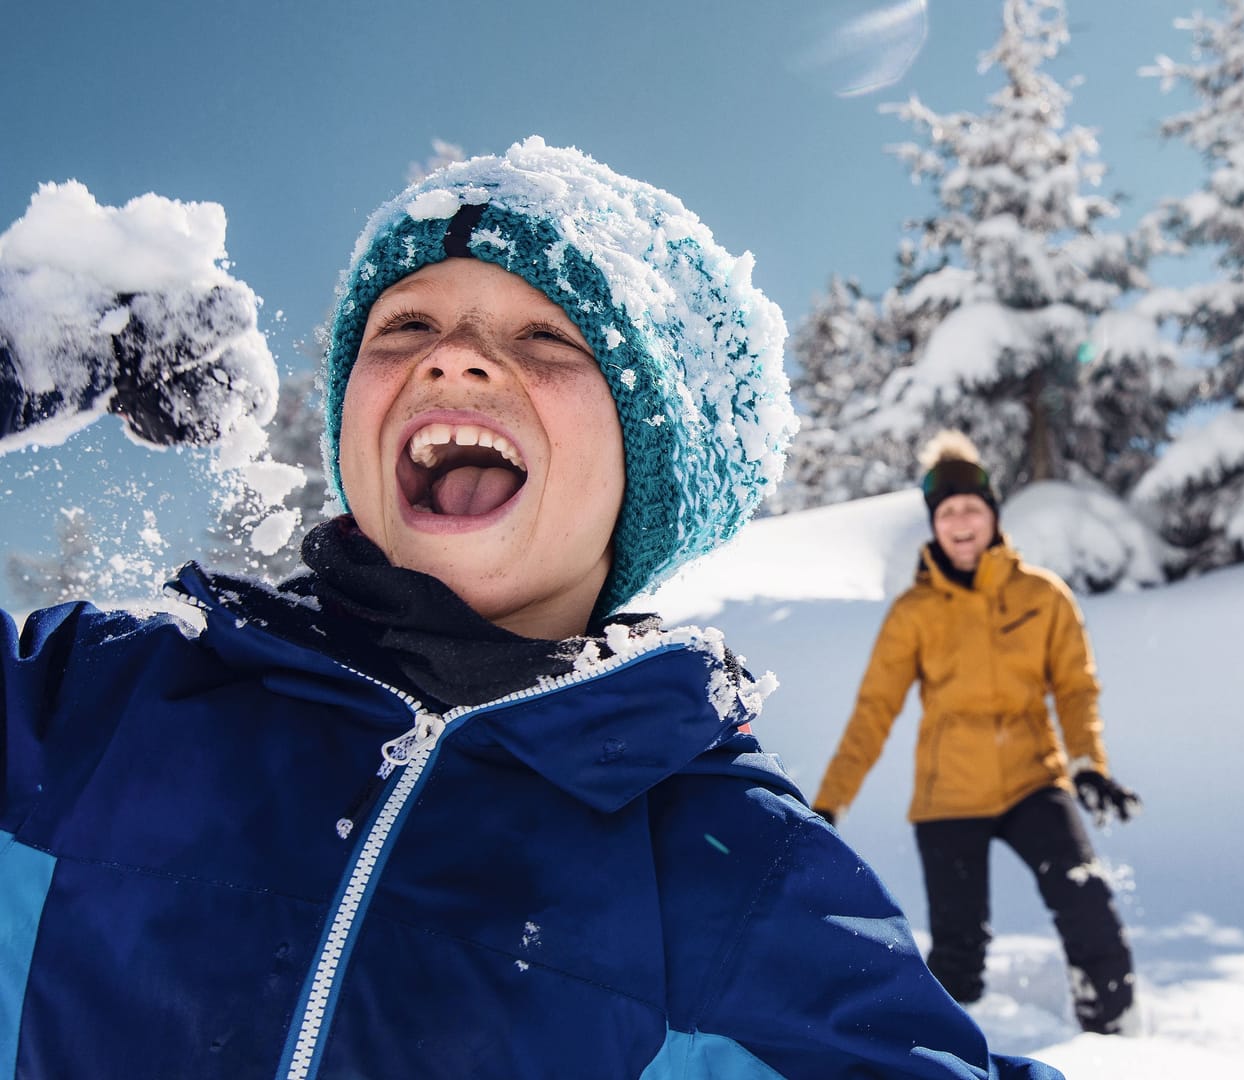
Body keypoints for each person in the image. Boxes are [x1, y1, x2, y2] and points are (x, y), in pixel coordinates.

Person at [0, 139, 1061, 1079]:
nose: (450, 356)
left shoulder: (724, 864)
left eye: (550, 339)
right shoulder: (93, 704)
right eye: (403, 323)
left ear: (650, 467)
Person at [812, 431, 1144, 1035]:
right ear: (934, 525)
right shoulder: (914, 612)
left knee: (1085, 897)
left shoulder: (1043, 597)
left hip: (1033, 779)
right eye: (947, 512)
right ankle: (948, 1063)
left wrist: (1089, 764)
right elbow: (873, 712)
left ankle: (1116, 1039)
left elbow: (1075, 689)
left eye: (972, 507)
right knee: (958, 953)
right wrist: (830, 804)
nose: (961, 521)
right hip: (949, 796)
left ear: (992, 514)